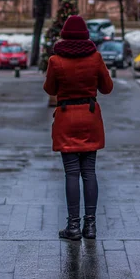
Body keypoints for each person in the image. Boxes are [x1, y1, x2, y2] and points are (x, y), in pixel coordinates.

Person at [43, 15, 114, 241]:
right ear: (86, 35)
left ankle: (73, 226)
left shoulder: (56, 60)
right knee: (89, 172)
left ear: (64, 35)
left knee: (71, 173)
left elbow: (49, 88)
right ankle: (90, 226)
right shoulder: (95, 58)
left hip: (66, 118)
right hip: (89, 117)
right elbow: (107, 88)